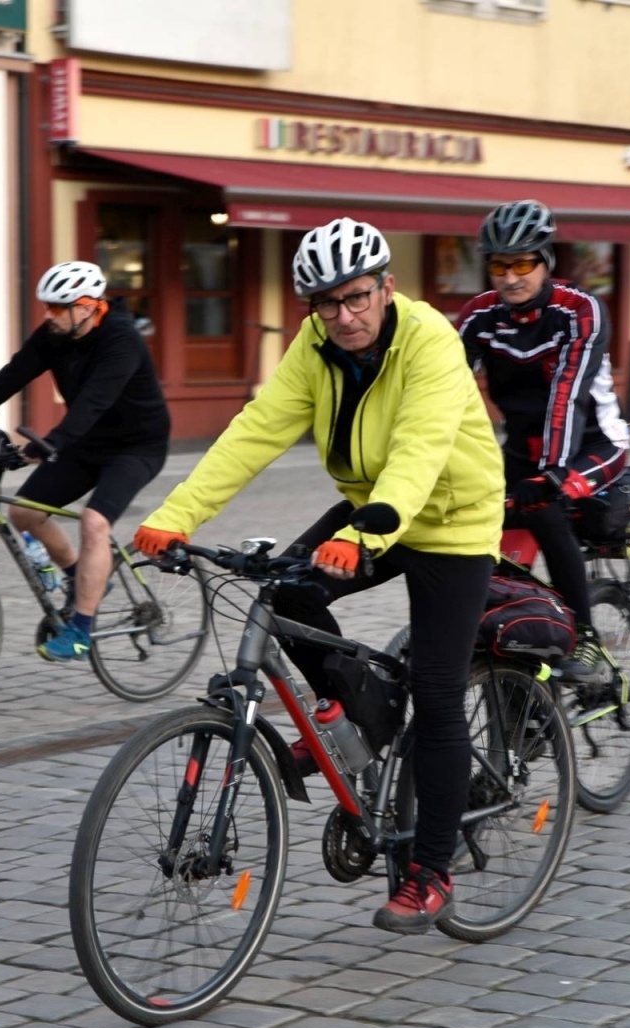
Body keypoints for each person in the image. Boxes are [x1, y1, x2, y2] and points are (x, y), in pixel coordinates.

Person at [133, 218, 504, 936]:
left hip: (450, 520)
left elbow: (420, 448)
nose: (344, 316)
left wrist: (364, 534)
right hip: (369, 509)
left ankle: (431, 872)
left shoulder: (430, 340)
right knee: (289, 592)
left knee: (437, 693)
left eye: (356, 297)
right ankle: (361, 716)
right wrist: (176, 516)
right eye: (326, 303)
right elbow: (255, 432)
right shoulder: (315, 345)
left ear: (387, 287)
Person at [0, 261, 170, 661]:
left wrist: (46, 445)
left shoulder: (121, 340)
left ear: (88, 307)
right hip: (84, 444)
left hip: (136, 447)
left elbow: (93, 403)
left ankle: (81, 632)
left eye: (57, 308)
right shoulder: (54, 335)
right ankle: (81, 576)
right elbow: (10, 377)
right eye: (46, 307)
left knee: (94, 522)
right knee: (24, 513)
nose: (48, 315)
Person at [457, 199, 630, 679]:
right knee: (484, 541)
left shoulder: (579, 310)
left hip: (593, 445)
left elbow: (567, 395)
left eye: (522, 264)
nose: (510, 277)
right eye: (499, 266)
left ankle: (586, 638)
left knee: (544, 509)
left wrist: (553, 472)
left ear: (546, 260)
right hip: (521, 450)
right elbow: (443, 390)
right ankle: (518, 666)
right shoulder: (479, 316)